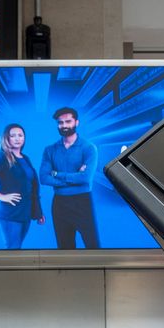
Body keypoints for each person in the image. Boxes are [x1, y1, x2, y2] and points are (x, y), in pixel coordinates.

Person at [40, 106, 100, 249]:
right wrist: (75, 177)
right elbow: (43, 178)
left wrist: (56, 173)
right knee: (64, 248)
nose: (64, 125)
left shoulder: (88, 148)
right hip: (59, 204)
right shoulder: (50, 149)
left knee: (93, 246)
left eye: (68, 121)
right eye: (61, 123)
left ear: (76, 123)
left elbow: (85, 179)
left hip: (82, 202)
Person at [0, 122, 44, 249]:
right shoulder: (4, 157)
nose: (18, 138)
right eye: (13, 136)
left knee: (17, 249)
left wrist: (38, 212)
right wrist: (0, 196)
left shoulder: (25, 158)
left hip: (25, 213)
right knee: (13, 250)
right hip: (10, 213)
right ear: (6, 139)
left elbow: (32, 187)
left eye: (20, 135)